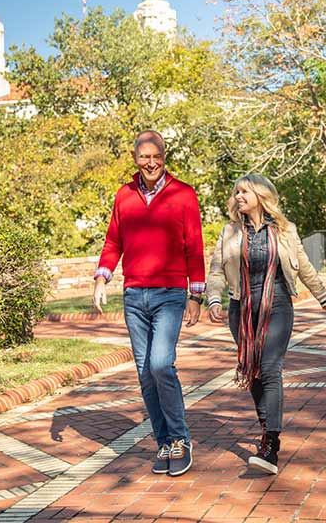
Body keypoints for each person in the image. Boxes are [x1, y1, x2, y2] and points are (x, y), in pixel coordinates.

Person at [206, 173, 326, 475]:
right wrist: (214, 299)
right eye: (236, 192)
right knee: (253, 371)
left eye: (244, 191)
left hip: (277, 304)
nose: (238, 196)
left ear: (261, 195)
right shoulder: (229, 231)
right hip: (241, 308)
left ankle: (271, 444)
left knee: (269, 368)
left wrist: (325, 300)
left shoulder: (284, 230)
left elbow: (304, 267)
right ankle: (267, 429)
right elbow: (216, 270)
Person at [92, 130, 205, 476]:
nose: (151, 162)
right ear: (135, 158)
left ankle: (180, 439)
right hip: (133, 295)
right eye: (144, 157)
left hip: (170, 294)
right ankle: (164, 442)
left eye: (157, 156)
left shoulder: (184, 194)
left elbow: (195, 246)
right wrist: (102, 277)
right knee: (144, 374)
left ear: (165, 156)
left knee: (160, 365)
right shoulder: (124, 196)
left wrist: (196, 295)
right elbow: (114, 241)